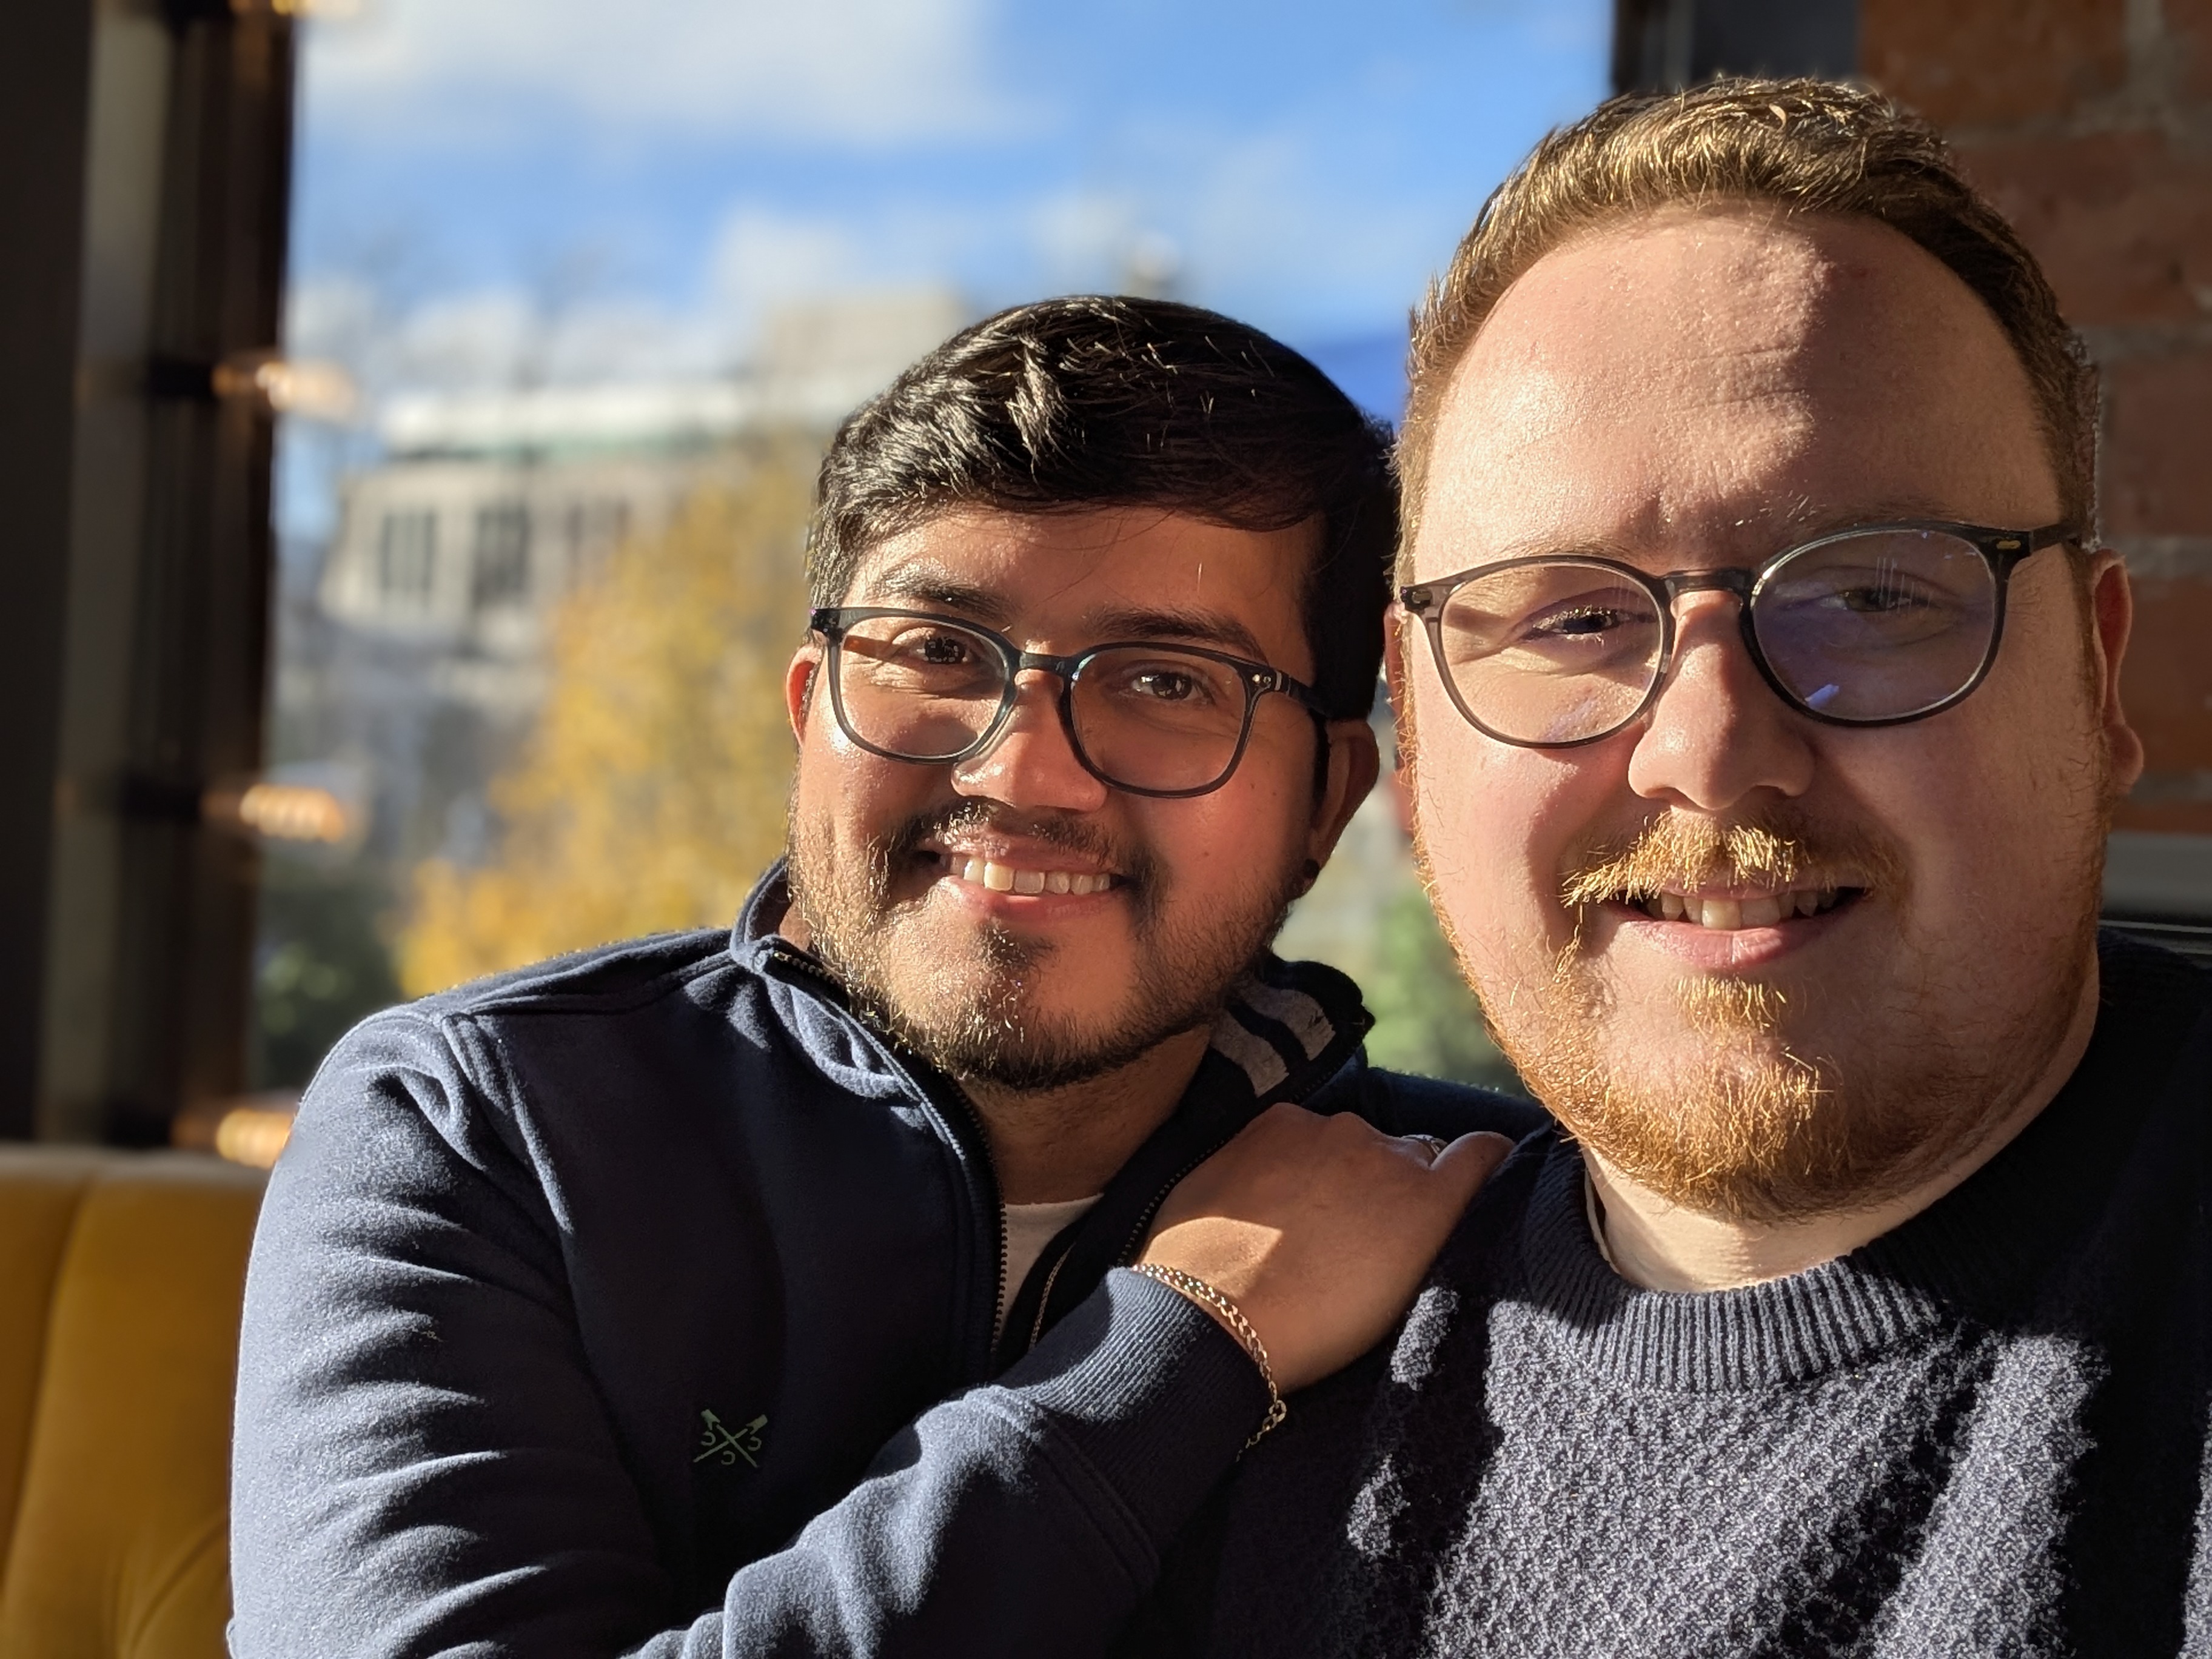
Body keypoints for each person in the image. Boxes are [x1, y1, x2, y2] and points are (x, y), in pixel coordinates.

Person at [228, 295, 1538, 1658]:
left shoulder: (1512, 1227)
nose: (1024, 771)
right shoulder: (481, 1131)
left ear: (1326, 800)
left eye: (1165, 682)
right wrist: (1180, 1352)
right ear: (811, 713)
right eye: (937, 652)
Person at [1150, 80, 2212, 1656]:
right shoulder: (1226, 1396)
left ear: (2097, 681)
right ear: (1418, 747)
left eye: (1869, 593)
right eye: (1570, 619)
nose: (1711, 752)